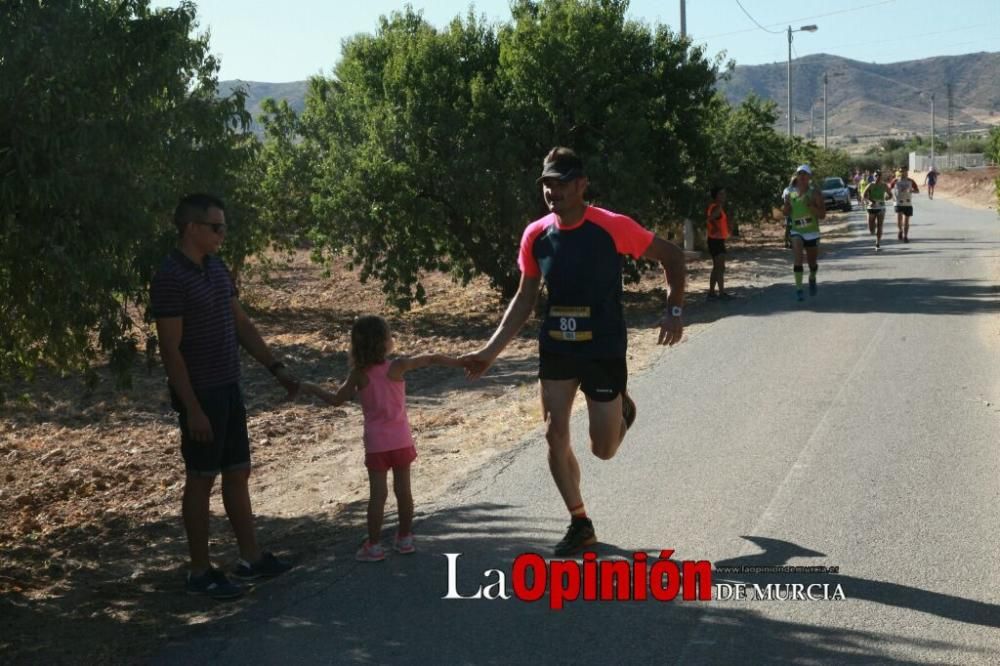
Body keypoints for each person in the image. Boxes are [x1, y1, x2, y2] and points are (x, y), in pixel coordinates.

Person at [463, 147, 685, 556]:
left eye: (562, 182)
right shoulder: (536, 235)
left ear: (582, 185)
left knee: (603, 450)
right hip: (557, 348)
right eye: (547, 183)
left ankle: (622, 410)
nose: (554, 191)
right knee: (554, 433)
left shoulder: (611, 227)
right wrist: (490, 352)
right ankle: (580, 522)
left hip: (602, 348)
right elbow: (525, 298)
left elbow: (672, 257)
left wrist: (673, 311)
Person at [150, 194, 296, 600]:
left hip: (229, 386)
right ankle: (199, 571)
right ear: (192, 228)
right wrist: (193, 408)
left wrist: (276, 368)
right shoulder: (170, 277)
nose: (222, 235)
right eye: (216, 227)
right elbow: (170, 350)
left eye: (224, 227)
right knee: (200, 480)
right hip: (201, 395)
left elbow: (242, 324)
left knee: (237, 471)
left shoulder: (216, 268)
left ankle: (251, 557)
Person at [298, 316, 468, 562]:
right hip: (401, 441)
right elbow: (430, 358)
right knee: (404, 492)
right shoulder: (397, 366)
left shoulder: (358, 374)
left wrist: (310, 387)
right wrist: (459, 361)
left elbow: (336, 399)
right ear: (385, 343)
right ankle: (405, 538)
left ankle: (374, 546)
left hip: (377, 445)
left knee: (378, 496)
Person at [781, 165, 826, 301]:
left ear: (809, 177)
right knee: (798, 258)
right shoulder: (790, 194)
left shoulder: (815, 194)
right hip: (797, 231)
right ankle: (799, 288)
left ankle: (812, 277)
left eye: (804, 174)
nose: (801, 177)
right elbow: (785, 213)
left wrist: (811, 207)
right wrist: (786, 207)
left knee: (812, 263)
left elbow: (822, 215)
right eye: (799, 174)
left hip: (812, 232)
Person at [706, 186, 731, 300]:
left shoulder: (716, 207)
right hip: (715, 240)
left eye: (724, 194)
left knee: (717, 267)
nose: (723, 196)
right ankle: (721, 293)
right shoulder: (716, 207)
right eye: (721, 194)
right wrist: (715, 228)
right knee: (720, 267)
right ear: (715, 196)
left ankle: (712, 292)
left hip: (717, 240)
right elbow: (710, 218)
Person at [864, 171, 892, 251]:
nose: (878, 177)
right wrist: (870, 202)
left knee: (880, 225)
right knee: (871, 229)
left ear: (881, 177)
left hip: (881, 207)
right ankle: (873, 228)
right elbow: (864, 195)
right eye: (876, 175)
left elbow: (890, 195)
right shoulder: (870, 185)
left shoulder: (884, 185)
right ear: (874, 176)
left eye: (879, 175)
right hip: (871, 207)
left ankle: (877, 243)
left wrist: (887, 197)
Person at [892, 166, 919, 242]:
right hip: (898, 202)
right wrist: (890, 196)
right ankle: (900, 230)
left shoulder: (911, 181)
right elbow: (889, 189)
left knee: (906, 221)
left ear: (907, 172)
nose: (902, 173)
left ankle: (905, 236)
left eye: (903, 171)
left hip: (907, 203)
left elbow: (917, 191)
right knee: (899, 220)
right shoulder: (895, 181)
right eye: (900, 171)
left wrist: (911, 191)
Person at [782, 175, 798, 249]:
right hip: (792, 211)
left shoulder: (786, 189)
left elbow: (784, 199)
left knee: (788, 227)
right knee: (792, 227)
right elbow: (794, 201)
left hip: (787, 210)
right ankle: (791, 242)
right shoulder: (794, 190)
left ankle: (786, 242)